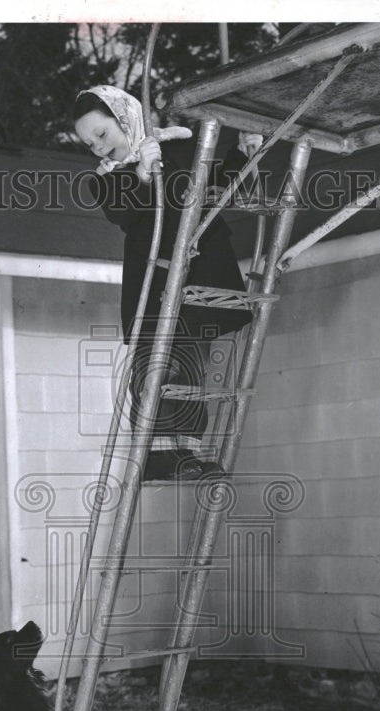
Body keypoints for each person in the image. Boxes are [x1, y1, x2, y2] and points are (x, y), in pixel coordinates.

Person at [74, 85, 260, 480]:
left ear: (125, 119)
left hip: (201, 272)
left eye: (102, 135)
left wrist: (244, 152)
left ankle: (187, 451)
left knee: (195, 362)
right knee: (157, 363)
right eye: (90, 144)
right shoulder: (109, 177)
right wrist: (141, 173)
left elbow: (218, 188)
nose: (99, 148)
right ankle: (156, 451)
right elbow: (121, 213)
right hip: (155, 281)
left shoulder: (177, 149)